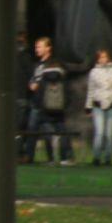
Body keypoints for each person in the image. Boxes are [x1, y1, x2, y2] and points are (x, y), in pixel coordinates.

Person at [28, 36, 71, 166]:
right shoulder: (37, 65)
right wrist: (32, 84)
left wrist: (40, 83)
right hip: (37, 103)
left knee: (59, 129)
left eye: (40, 46)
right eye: (36, 47)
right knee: (35, 130)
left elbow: (55, 77)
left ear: (48, 48)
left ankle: (66, 157)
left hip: (52, 103)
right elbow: (33, 79)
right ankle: (33, 157)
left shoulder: (54, 63)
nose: (37, 49)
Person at [85, 47, 112, 167]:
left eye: (105, 57)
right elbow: (91, 90)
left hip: (111, 104)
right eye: (101, 57)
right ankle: (96, 157)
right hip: (98, 104)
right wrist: (88, 105)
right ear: (97, 59)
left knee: (109, 134)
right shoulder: (94, 72)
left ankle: (108, 158)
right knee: (99, 132)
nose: (103, 59)